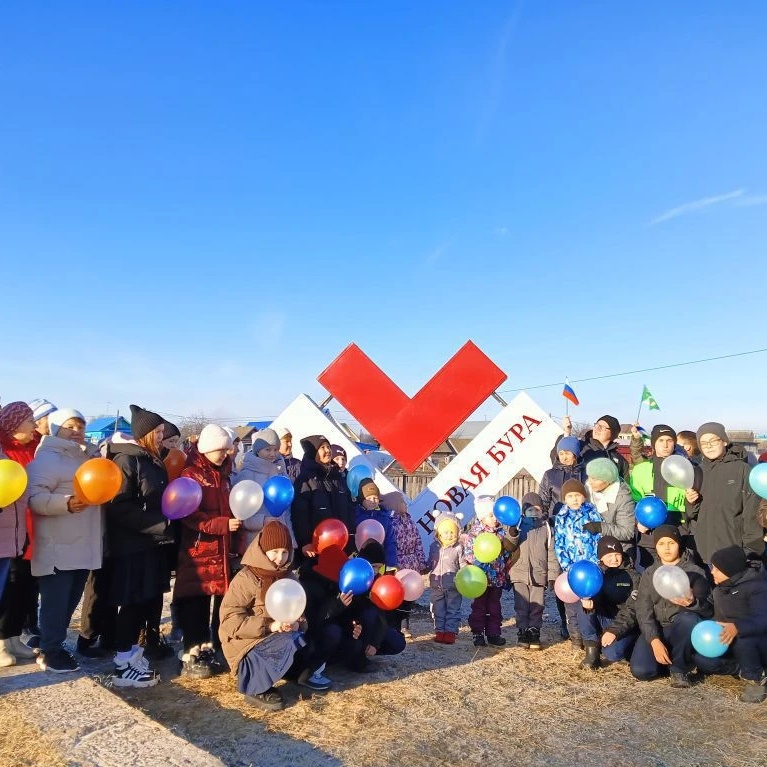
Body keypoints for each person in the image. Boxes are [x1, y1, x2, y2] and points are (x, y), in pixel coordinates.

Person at [219, 521, 330, 712]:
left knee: (304, 639)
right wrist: (269, 625)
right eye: (275, 552)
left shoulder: (288, 576)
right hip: (246, 645)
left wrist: (297, 624)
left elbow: (300, 612)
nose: (280, 558)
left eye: (285, 552)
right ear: (263, 550)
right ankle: (256, 688)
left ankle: (292, 672)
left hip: (277, 638)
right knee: (288, 640)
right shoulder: (246, 578)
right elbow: (229, 620)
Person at [27, 408, 103, 673]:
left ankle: (54, 644)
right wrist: (65, 503)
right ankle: (50, 650)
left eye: (80, 426)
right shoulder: (47, 459)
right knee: (55, 601)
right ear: (55, 428)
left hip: (83, 541)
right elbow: (34, 498)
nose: (76, 431)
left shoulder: (87, 457)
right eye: (70, 426)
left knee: (70, 600)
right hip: (57, 543)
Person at [105, 405, 174, 687]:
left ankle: (134, 655)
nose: (161, 437)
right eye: (157, 432)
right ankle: (122, 664)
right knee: (131, 603)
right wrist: (158, 524)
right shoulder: (126, 461)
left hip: (152, 544)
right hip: (131, 546)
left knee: (145, 601)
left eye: (162, 432)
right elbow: (119, 508)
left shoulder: (153, 461)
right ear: (144, 434)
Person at [174, 424, 239, 678]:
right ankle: (190, 652)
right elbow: (189, 514)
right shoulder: (191, 475)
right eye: (221, 450)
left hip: (222, 549)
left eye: (227, 449)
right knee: (196, 602)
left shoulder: (224, 475)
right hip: (200, 548)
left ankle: (208, 648)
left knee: (218, 602)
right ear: (208, 449)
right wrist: (222, 525)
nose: (225, 454)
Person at [630, 525, 712, 687]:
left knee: (689, 619)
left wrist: (693, 603)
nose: (666, 548)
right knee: (641, 671)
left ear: (678, 544)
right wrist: (654, 640)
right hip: (658, 628)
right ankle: (670, 660)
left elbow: (709, 609)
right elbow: (643, 610)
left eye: (671, 543)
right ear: (656, 546)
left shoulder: (695, 572)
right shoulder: (649, 573)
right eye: (661, 544)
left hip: (682, 629)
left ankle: (679, 669)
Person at [693, 545, 767, 703]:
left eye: (716, 569)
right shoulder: (719, 591)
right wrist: (692, 603)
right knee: (702, 661)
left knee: (743, 638)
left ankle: (755, 678)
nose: (712, 572)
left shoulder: (757, 587)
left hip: (757, 643)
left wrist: (738, 627)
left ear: (729, 570)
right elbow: (712, 614)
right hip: (731, 644)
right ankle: (743, 668)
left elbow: (763, 619)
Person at [685, 422, 763, 565]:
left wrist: (751, 551)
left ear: (724, 441)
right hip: (703, 552)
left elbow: (752, 514)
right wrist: (690, 503)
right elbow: (691, 516)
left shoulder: (742, 470)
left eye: (713, 441)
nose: (709, 446)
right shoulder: (697, 472)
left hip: (733, 550)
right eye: (703, 443)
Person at [0, 403, 40, 666]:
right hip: (6, 531)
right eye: (30, 420)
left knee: (19, 589)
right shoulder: (6, 452)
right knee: (6, 588)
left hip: (20, 532)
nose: (34, 425)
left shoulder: (31, 451)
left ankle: (12, 637)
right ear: (14, 425)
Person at [576, 536, 640, 669]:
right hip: (604, 619)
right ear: (601, 558)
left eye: (617, 555)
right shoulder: (596, 574)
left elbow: (632, 609)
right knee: (583, 604)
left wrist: (614, 630)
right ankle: (592, 652)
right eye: (609, 555)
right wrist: (589, 605)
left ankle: (629, 646)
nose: (614, 559)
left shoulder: (633, 576)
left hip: (625, 625)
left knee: (612, 654)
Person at [553, 478, 602, 649]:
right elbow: (559, 543)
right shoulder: (561, 517)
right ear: (564, 499)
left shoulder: (592, 513)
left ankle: (590, 637)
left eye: (577, 495)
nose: (574, 499)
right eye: (570, 496)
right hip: (571, 568)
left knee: (589, 604)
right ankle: (575, 637)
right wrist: (566, 566)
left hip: (590, 567)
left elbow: (598, 538)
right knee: (572, 606)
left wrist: (595, 562)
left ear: (584, 496)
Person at [507, 493, 559, 651]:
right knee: (521, 605)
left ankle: (534, 631)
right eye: (530, 510)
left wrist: (552, 576)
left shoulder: (546, 528)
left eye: (537, 509)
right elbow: (510, 545)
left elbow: (552, 554)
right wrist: (512, 533)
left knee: (537, 606)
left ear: (542, 510)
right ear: (524, 512)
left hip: (539, 574)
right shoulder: (518, 525)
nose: (534, 513)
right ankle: (522, 632)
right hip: (519, 573)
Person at [292, 435, 354, 562]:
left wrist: (351, 535)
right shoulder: (306, 480)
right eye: (322, 448)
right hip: (315, 549)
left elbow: (348, 509)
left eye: (328, 447)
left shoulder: (338, 477)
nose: (328, 450)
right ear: (313, 452)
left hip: (341, 545)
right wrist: (305, 542)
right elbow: (300, 514)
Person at [463, 496, 513, 647]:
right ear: (482, 517)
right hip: (480, 578)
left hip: (497, 577)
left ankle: (493, 633)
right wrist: (475, 566)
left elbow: (505, 553)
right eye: (491, 515)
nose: (495, 519)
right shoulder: (475, 534)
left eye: (495, 515)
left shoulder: (501, 533)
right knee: (479, 606)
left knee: (494, 607)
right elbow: (469, 554)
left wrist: (507, 567)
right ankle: (477, 633)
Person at [234, 428, 295, 551]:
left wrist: (291, 539)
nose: (272, 454)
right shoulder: (247, 475)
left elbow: (286, 512)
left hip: (280, 540)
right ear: (257, 450)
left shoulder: (281, 473)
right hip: (256, 540)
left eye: (276, 449)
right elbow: (240, 514)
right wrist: (262, 521)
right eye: (268, 449)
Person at [388, 493, 427, 638]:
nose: (406, 505)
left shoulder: (410, 522)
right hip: (398, 565)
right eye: (403, 503)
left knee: (409, 598)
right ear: (395, 505)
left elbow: (418, 543)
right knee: (398, 596)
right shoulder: (391, 523)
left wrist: (421, 562)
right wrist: (393, 563)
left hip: (412, 564)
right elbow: (391, 545)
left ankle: (405, 626)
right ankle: (395, 625)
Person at [584, 458, 636, 552]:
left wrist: (601, 527)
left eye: (595, 479)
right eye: (589, 477)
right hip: (591, 548)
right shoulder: (587, 489)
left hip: (616, 550)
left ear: (607, 480)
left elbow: (627, 532)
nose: (590, 482)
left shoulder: (622, 498)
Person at [427, 511, 464, 644]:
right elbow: (430, 562)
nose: (449, 535)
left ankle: (450, 632)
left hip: (454, 586)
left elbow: (463, 564)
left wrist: (466, 573)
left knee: (453, 609)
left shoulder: (459, 548)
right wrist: (423, 568)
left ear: (458, 533)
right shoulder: (433, 547)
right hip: (436, 585)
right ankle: (439, 631)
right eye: (446, 532)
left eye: (452, 532)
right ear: (438, 533)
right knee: (438, 609)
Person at [559, 414, 629, 480]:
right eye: (596, 425)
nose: (597, 429)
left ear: (612, 434)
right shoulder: (580, 447)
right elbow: (560, 463)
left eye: (602, 427)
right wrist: (567, 433)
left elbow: (625, 485)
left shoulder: (619, 460)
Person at [539, 436, 587, 518]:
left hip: (581, 521)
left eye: (567, 453)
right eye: (561, 454)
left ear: (575, 455)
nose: (564, 458)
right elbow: (543, 504)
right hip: (556, 521)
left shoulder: (586, 474)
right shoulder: (550, 475)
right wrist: (545, 521)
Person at [354, 479, 396, 568]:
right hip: (360, 563)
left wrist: (391, 564)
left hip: (380, 563)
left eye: (375, 498)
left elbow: (390, 542)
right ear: (362, 499)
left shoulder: (384, 517)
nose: (372, 501)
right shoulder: (355, 516)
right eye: (368, 498)